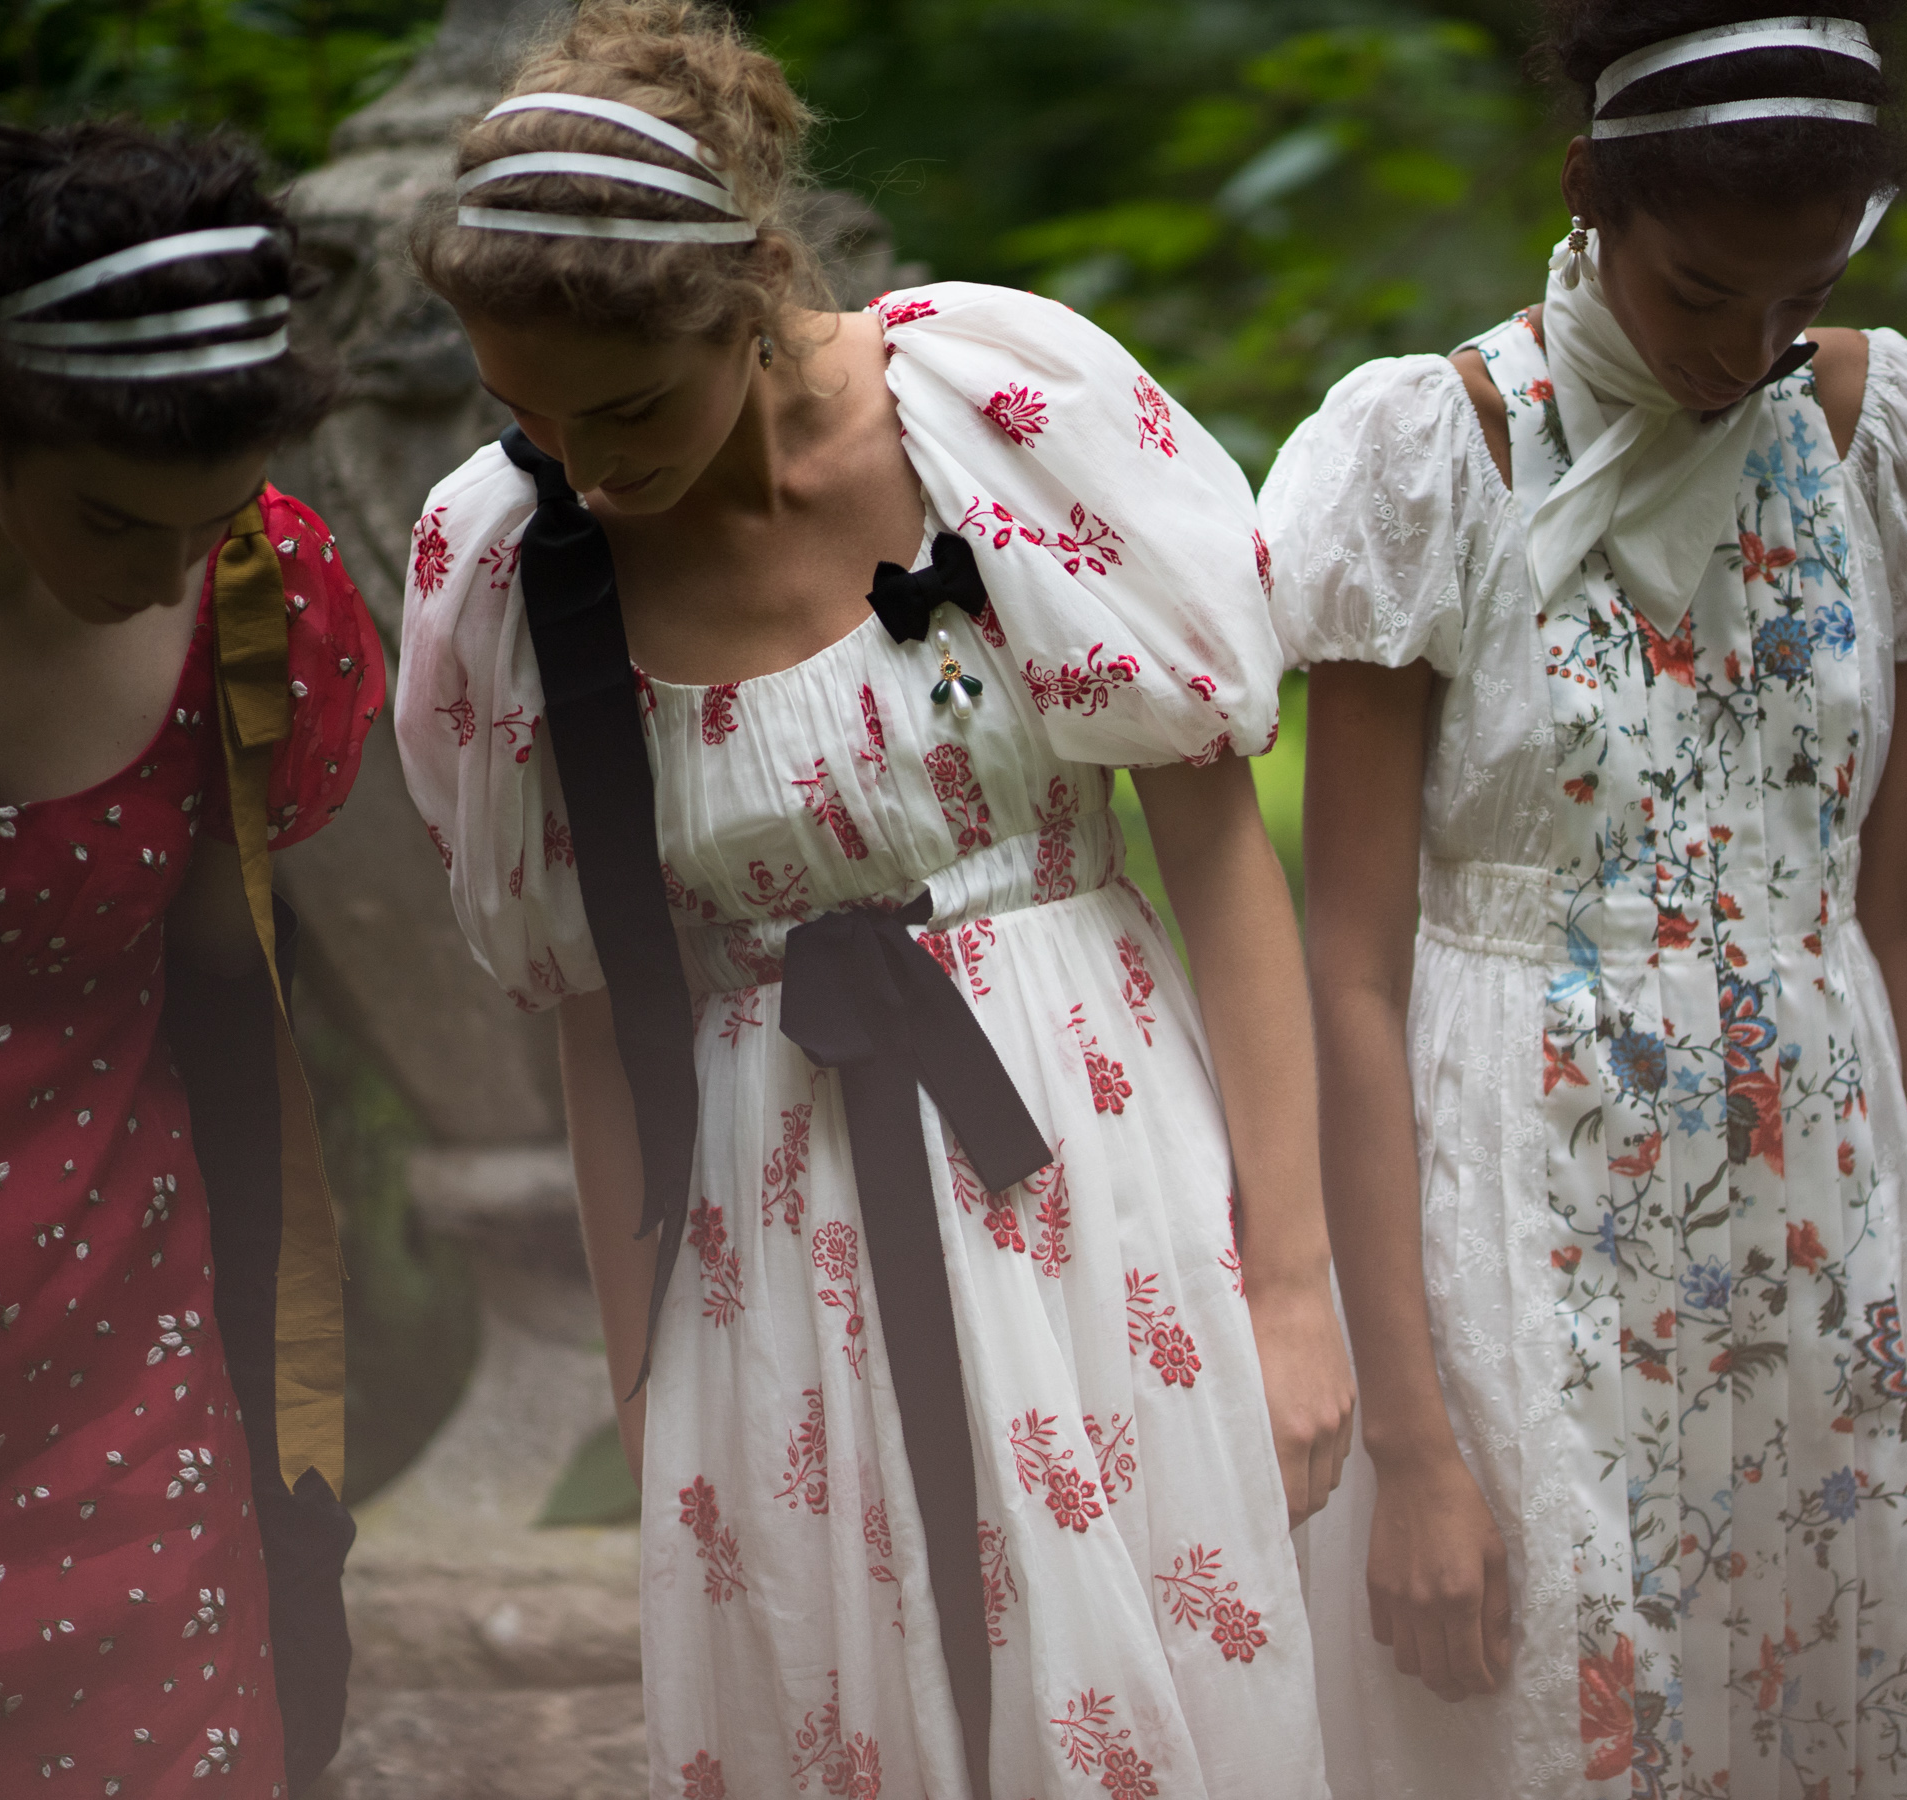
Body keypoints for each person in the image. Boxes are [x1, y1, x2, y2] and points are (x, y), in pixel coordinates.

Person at [393, 4, 1352, 1796]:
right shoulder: (515, 567)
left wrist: (1292, 1288)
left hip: (1091, 1156)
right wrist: (644, 1382)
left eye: (624, 407)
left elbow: (1218, 850)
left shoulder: (993, 421)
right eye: (524, 409)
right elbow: (604, 1017)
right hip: (774, 1219)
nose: (585, 466)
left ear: (750, 291)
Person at [1263, 0, 1907, 1791]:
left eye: (1797, 291)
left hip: (1821, 1212)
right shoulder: (1439, 458)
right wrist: (1416, 1444)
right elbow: (1346, 967)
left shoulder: (1875, 426)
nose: (1745, 350)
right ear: (1589, 190)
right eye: (1697, 294)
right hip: (1532, 1204)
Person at [0, 121, 383, 1795]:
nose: (165, 572)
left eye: (209, 516)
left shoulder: (257, 596)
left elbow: (232, 975)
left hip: (122, 1337)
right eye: (108, 516)